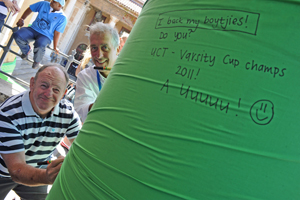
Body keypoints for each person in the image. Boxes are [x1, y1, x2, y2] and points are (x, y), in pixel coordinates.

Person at [0, 63, 82, 199]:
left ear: (64, 94)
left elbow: (81, 146)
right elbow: (16, 170)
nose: (48, 93)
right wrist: (48, 176)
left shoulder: (67, 112)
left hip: (38, 168)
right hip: (4, 173)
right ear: (32, 83)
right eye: (44, 85)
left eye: (56, 90)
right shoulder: (8, 114)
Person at [74, 22, 120, 122]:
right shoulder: (85, 76)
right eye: (94, 48)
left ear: (117, 49)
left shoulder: (129, 73)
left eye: (105, 48)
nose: (99, 55)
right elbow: (80, 113)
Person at [13, 0, 67, 69]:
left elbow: (57, 33)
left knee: (40, 44)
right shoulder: (43, 4)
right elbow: (30, 8)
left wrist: (55, 47)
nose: (51, 1)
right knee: (18, 35)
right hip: (33, 29)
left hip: (46, 36)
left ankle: (37, 61)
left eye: (54, 1)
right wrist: (22, 19)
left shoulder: (63, 18)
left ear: (59, 5)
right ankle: (26, 50)